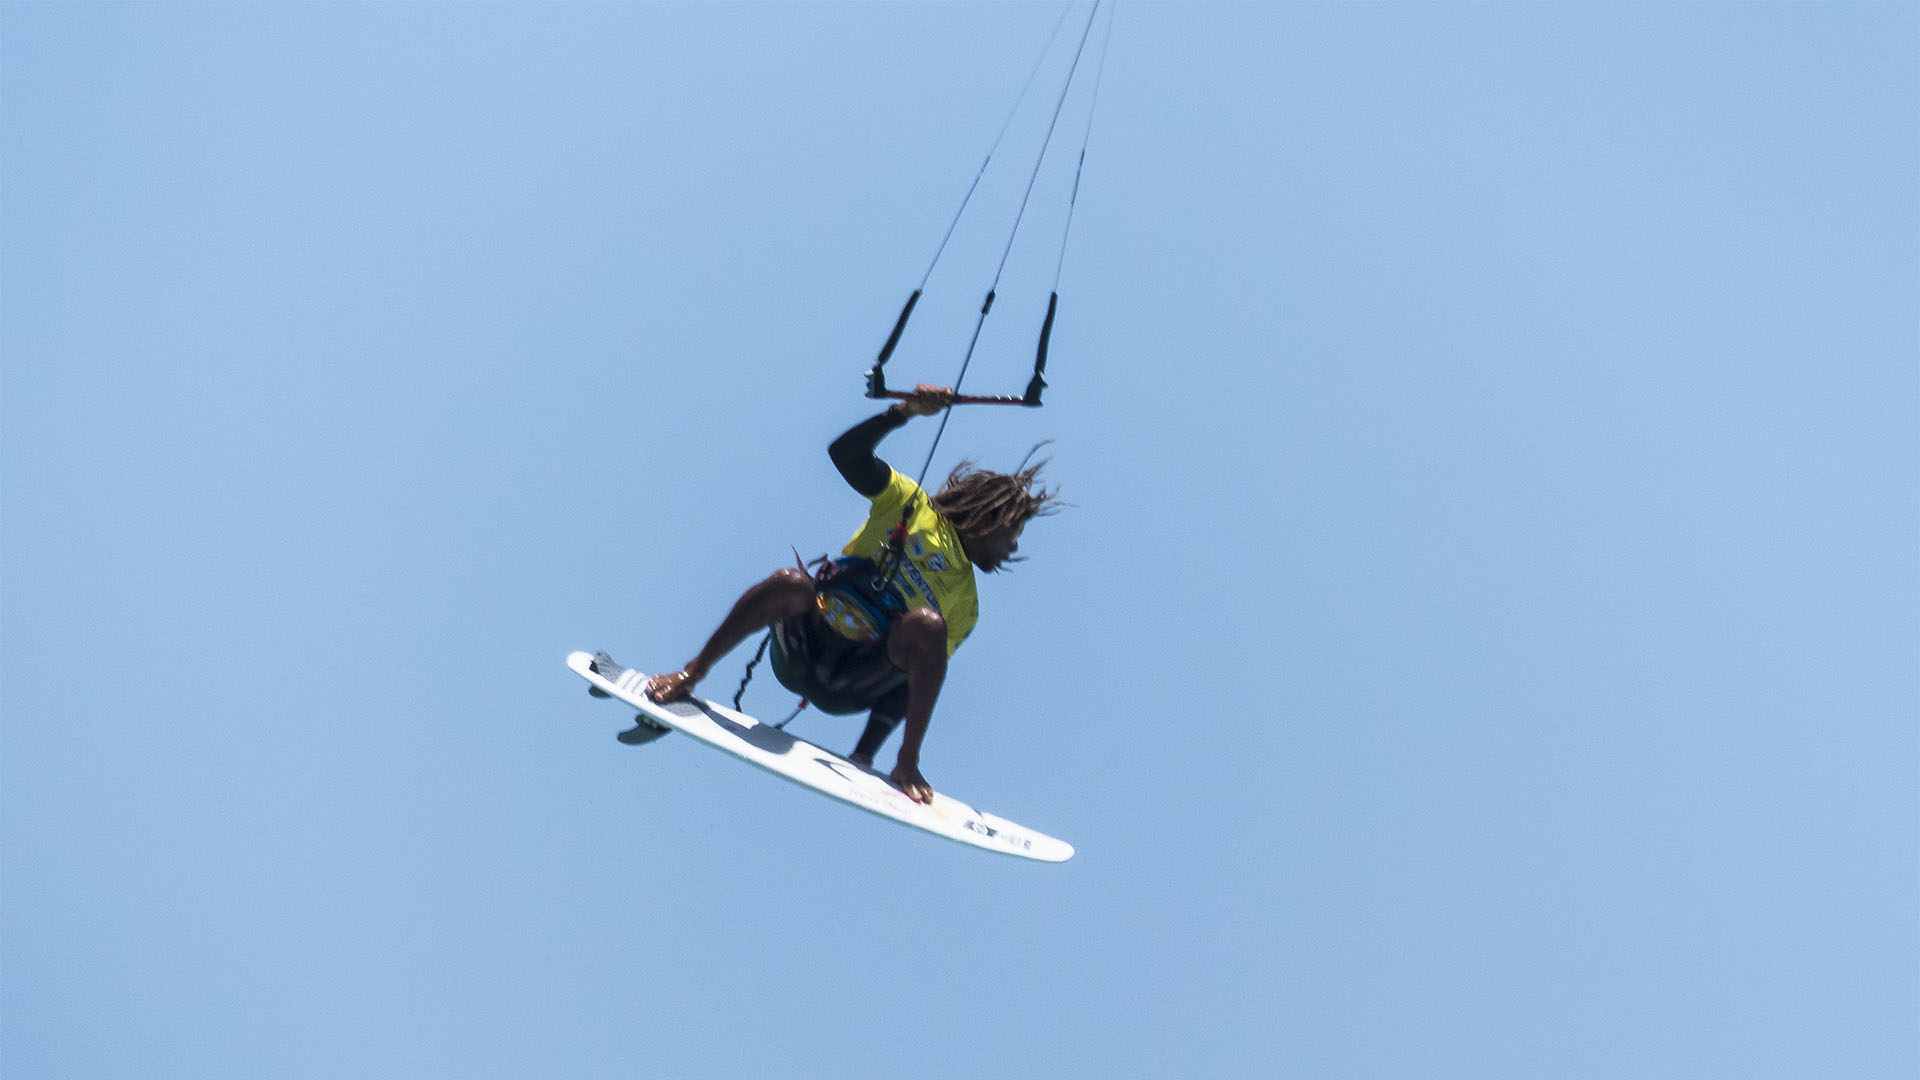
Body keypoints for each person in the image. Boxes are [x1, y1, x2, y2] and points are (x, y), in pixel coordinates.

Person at [641, 384, 1062, 803]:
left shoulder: (965, 602)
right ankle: (692, 672)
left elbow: (911, 683)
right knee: (790, 580)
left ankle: (907, 761)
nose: (1014, 547)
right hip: (802, 648)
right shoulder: (909, 502)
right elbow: (845, 454)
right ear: (990, 517)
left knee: (928, 629)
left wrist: (865, 754)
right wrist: (904, 412)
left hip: (854, 681)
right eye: (1013, 532)